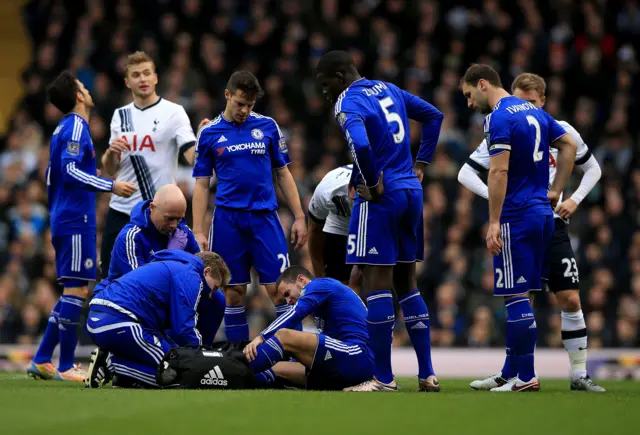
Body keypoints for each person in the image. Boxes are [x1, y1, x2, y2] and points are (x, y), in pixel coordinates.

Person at [458, 73, 605, 392]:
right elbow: (466, 172)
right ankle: (513, 371)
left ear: (543, 102)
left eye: (532, 102)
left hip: (541, 221)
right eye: (520, 100)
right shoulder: (522, 121)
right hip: (537, 214)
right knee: (520, 295)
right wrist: (495, 196)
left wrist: (569, 196)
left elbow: (592, 167)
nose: (526, 107)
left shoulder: (548, 124)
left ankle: (569, 374)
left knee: (560, 297)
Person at [315, 50, 443, 392]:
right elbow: (434, 116)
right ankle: (427, 373)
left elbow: (359, 142)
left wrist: (371, 183)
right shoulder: (390, 89)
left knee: (377, 284)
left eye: (325, 83)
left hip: (381, 198)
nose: (325, 91)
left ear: (340, 77)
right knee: (408, 283)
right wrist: (423, 163)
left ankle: (383, 378)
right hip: (411, 191)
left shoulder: (347, 101)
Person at [26, 71, 136, 382]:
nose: (87, 91)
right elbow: (71, 172)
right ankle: (65, 366)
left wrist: (104, 166)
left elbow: (64, 173)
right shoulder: (75, 126)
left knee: (72, 289)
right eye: (83, 87)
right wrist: (110, 185)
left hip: (69, 216)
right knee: (76, 290)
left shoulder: (65, 128)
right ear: (77, 96)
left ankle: (43, 358)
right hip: (75, 218)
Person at [192, 71, 307, 343]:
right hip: (228, 221)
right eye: (240, 103)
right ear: (227, 95)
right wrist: (198, 229)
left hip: (265, 218)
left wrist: (300, 216)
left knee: (282, 291)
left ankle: (293, 356)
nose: (245, 110)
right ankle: (238, 361)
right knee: (233, 293)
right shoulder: (209, 133)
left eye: (250, 105)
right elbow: (200, 185)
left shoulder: (268, 127)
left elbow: (284, 174)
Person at [100, 51, 198, 278]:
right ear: (127, 82)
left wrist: (205, 144)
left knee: (157, 279)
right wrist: (110, 153)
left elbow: (190, 155)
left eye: (146, 73)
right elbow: (112, 168)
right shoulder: (120, 115)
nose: (142, 79)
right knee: (110, 278)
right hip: (121, 210)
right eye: (136, 75)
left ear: (155, 78)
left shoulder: (174, 112)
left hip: (157, 212)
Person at [94, 183, 225, 346]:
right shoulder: (130, 237)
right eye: (169, 218)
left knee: (216, 298)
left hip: (168, 298)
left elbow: (199, 272)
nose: (174, 225)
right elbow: (141, 287)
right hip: (129, 303)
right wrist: (172, 255)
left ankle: (200, 353)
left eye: (179, 218)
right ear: (152, 208)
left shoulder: (182, 232)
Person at [85, 250, 230, 389]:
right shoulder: (190, 275)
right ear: (207, 271)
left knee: (176, 361)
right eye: (215, 287)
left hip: (105, 317)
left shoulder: (172, 265)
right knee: (180, 372)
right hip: (120, 320)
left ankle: (119, 369)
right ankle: (109, 364)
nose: (211, 294)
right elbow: (184, 328)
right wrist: (201, 356)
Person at [243, 266, 374, 391]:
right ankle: (229, 379)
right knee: (277, 369)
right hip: (346, 359)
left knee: (284, 336)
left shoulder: (319, 285)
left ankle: (237, 368)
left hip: (359, 355)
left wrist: (262, 336)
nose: (288, 301)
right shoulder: (322, 303)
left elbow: (296, 313)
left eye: (288, 293)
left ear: (301, 279)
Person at [308, 164, 354, 284]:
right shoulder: (327, 190)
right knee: (337, 283)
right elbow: (314, 230)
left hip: (376, 223)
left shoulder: (389, 190)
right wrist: (319, 278)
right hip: (340, 222)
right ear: (349, 188)